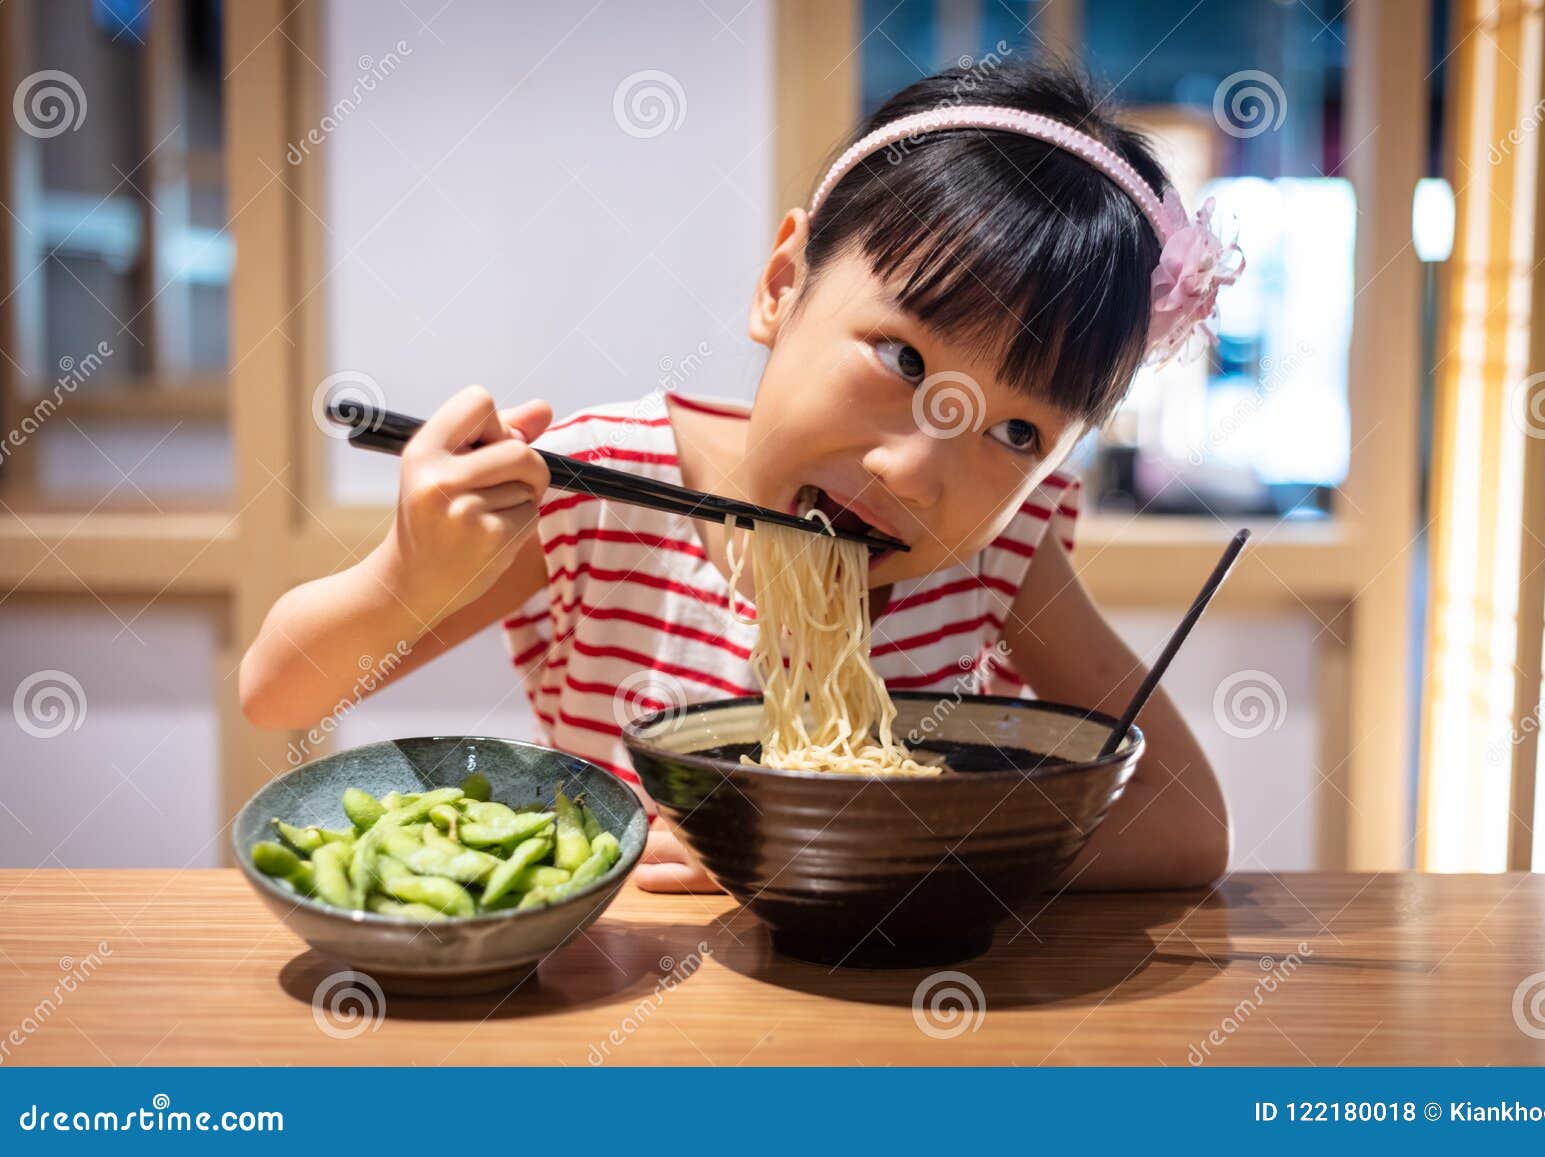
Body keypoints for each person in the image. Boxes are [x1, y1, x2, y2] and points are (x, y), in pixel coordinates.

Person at [242, 57, 1239, 894]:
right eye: (901, 360)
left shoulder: (1001, 552)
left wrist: (882, 855)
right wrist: (405, 578)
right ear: (779, 287)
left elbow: (1188, 827)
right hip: (617, 997)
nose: (912, 471)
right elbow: (279, 691)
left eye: (1018, 430)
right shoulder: (598, 488)